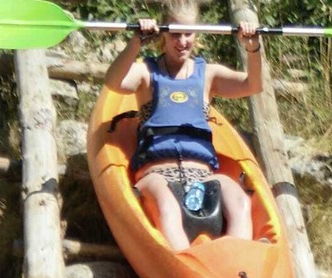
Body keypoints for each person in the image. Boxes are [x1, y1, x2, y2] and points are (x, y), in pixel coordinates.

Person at [103, 0, 263, 251]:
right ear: (163, 34)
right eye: (175, 34)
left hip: (203, 176)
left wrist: (253, 49)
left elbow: (253, 85)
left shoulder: (208, 75)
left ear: (196, 34)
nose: (182, 41)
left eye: (188, 33)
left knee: (240, 202)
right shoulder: (147, 73)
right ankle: (183, 260)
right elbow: (113, 82)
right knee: (167, 207)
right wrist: (136, 42)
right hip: (157, 175)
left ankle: (235, 260)